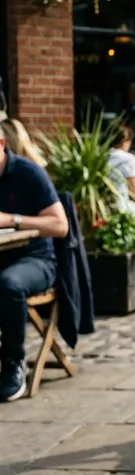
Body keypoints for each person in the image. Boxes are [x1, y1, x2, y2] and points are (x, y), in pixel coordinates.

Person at [0, 123, 69, 402]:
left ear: (2, 144)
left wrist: (12, 220)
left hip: (35, 260)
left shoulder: (28, 173)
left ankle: (13, 364)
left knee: (8, 284)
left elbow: (60, 225)